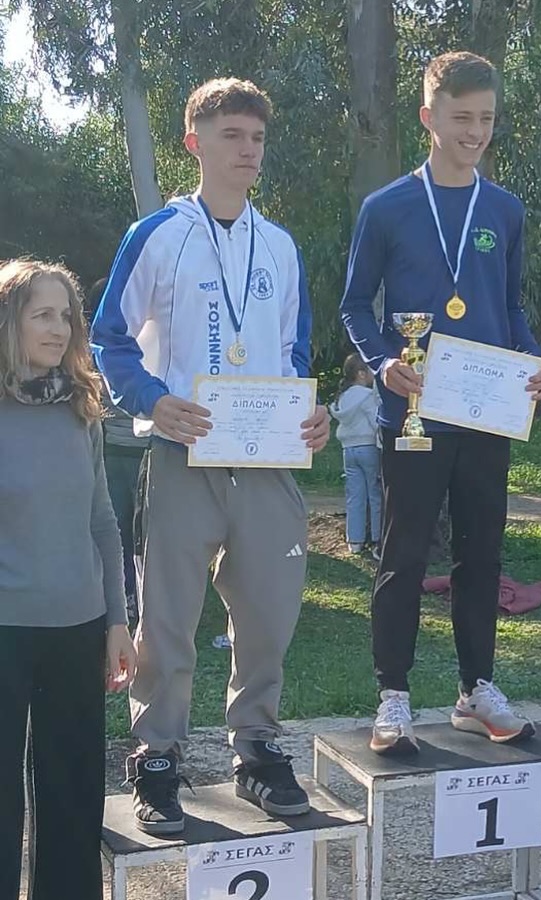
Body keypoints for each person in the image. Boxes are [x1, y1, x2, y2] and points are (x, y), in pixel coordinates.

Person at [91, 77, 330, 835]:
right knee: (167, 617)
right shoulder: (159, 234)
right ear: (194, 142)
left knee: (268, 612)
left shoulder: (280, 246)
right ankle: (157, 756)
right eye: (232, 135)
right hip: (181, 450)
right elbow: (108, 338)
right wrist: (151, 398)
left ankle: (255, 748)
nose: (248, 150)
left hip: (265, 458)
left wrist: (308, 415)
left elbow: (293, 352)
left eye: (257, 137)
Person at [341, 51, 541, 755]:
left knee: (482, 554)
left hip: (487, 413)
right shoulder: (387, 207)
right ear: (428, 117)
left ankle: (475, 689)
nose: (476, 132)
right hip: (413, 412)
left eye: (486, 118)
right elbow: (354, 306)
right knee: (402, 553)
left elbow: (509, 308)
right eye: (462, 117)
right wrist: (384, 362)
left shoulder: (505, 210)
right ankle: (393, 695)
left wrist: (533, 360)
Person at [0, 260, 137, 900]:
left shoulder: (83, 408)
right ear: (11, 322)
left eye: (67, 316)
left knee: (72, 794)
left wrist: (118, 620)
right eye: (43, 316)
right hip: (5, 631)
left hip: (78, 628)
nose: (59, 329)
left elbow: (102, 522)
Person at [84, 277, 149, 622]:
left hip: (140, 453)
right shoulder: (99, 350)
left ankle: (137, 598)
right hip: (117, 453)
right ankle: (128, 598)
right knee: (122, 530)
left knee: (131, 531)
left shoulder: (104, 349)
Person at [330, 351, 382, 557]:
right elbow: (375, 422)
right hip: (368, 447)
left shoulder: (341, 398)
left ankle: (355, 541)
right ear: (361, 374)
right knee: (375, 494)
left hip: (348, 449)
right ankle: (377, 540)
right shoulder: (367, 396)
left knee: (354, 496)